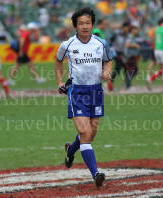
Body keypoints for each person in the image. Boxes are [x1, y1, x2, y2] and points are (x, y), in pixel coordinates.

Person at [55, 7, 113, 188]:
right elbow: (58, 61)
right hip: (77, 92)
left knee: (91, 135)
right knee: (85, 133)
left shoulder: (101, 43)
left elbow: (108, 59)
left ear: (93, 24)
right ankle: (96, 174)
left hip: (96, 92)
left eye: (88, 23)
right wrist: (59, 82)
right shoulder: (68, 45)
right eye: (81, 23)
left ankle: (70, 150)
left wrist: (107, 72)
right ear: (75, 26)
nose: (85, 26)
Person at [108, 21, 130, 91]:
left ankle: (127, 84)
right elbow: (109, 40)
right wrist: (111, 48)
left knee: (126, 68)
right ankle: (110, 83)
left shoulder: (127, 35)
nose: (127, 29)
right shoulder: (116, 34)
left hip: (123, 54)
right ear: (123, 27)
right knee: (118, 68)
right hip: (116, 54)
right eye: (127, 27)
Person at [123, 23, 140, 89]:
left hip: (132, 56)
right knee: (132, 70)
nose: (137, 31)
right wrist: (135, 45)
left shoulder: (133, 37)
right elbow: (127, 45)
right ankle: (128, 85)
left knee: (133, 70)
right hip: (129, 56)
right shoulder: (130, 36)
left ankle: (127, 84)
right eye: (135, 29)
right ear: (132, 30)